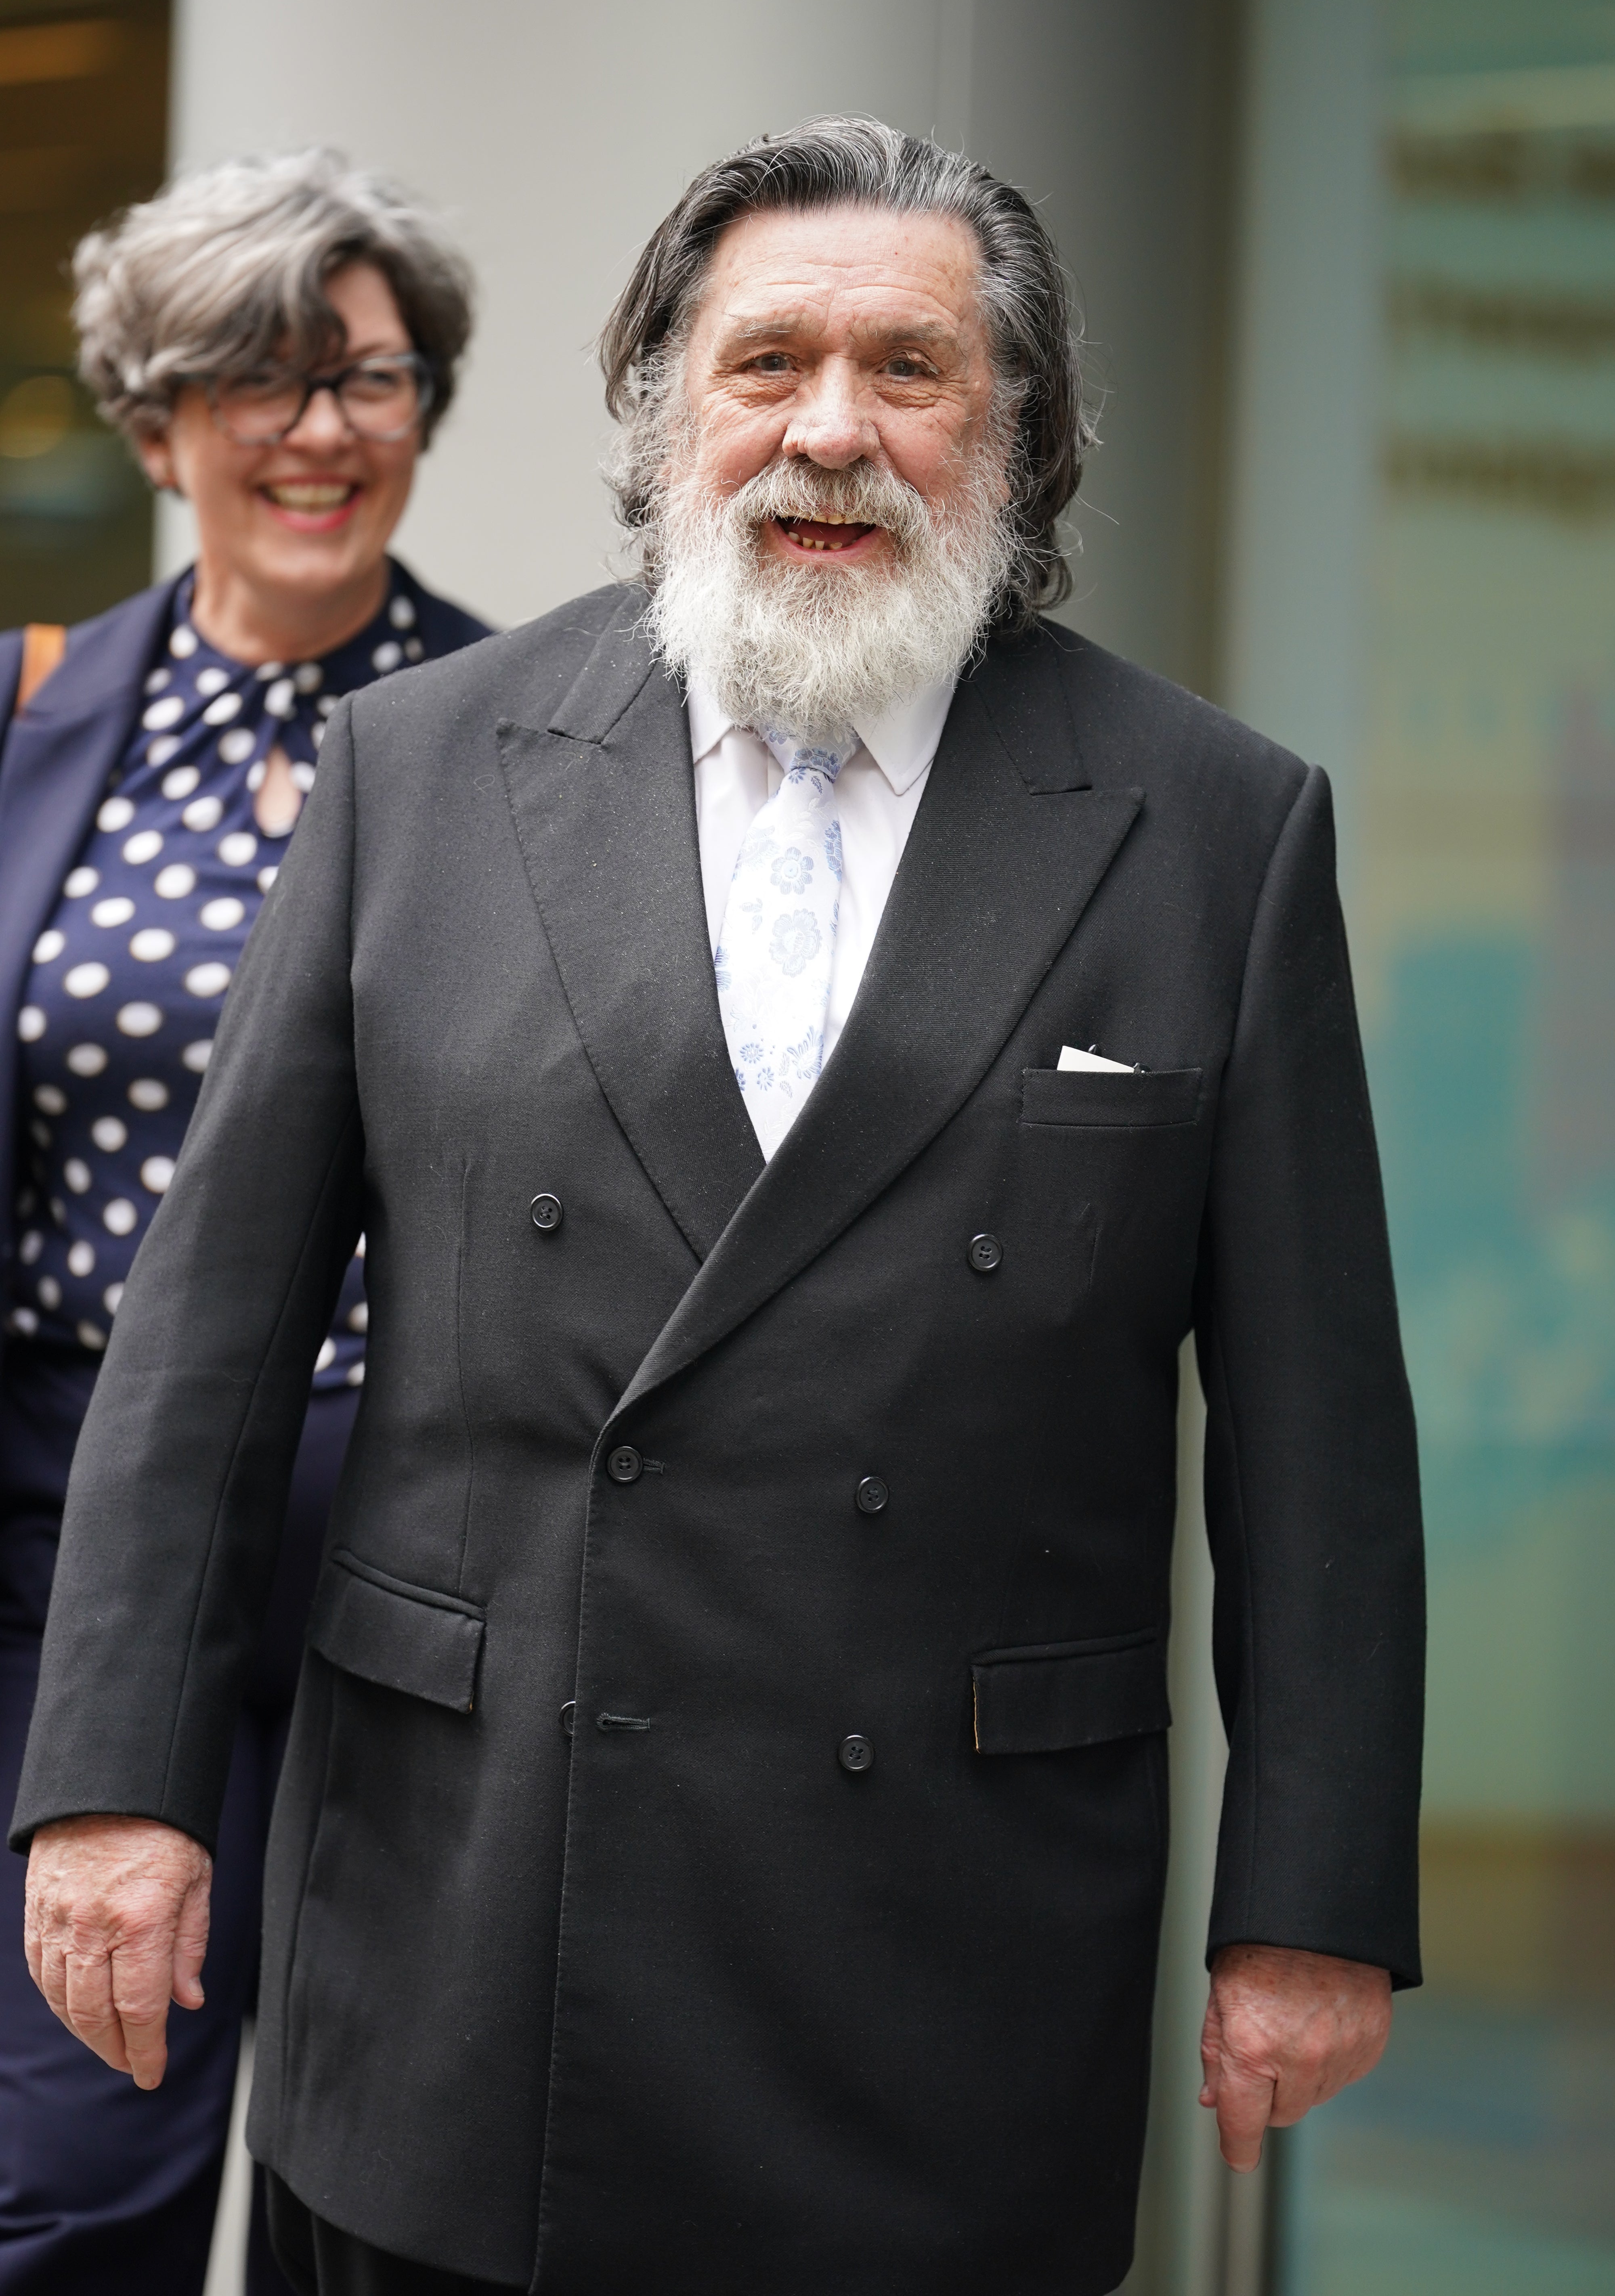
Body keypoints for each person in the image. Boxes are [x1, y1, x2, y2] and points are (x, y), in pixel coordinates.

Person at [13, 120, 1423, 2296]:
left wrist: (1309, 1904)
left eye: (914, 370)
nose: (832, 433)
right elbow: (208, 1336)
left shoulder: (1215, 826)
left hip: (948, 1952)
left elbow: (1322, 1439)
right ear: (668, 410)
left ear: (1019, 434)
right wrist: (113, 1789)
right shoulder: (422, 769)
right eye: (767, 365)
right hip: (471, 1915)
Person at [0, 149, 489, 2294]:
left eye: (367, 380)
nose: (314, 431)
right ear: (154, 416)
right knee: (63, 2179)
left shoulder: (543, 738)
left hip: (436, 1549)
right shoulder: (25, 723)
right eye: (253, 378)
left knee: (398, 2185)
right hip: (70, 1535)